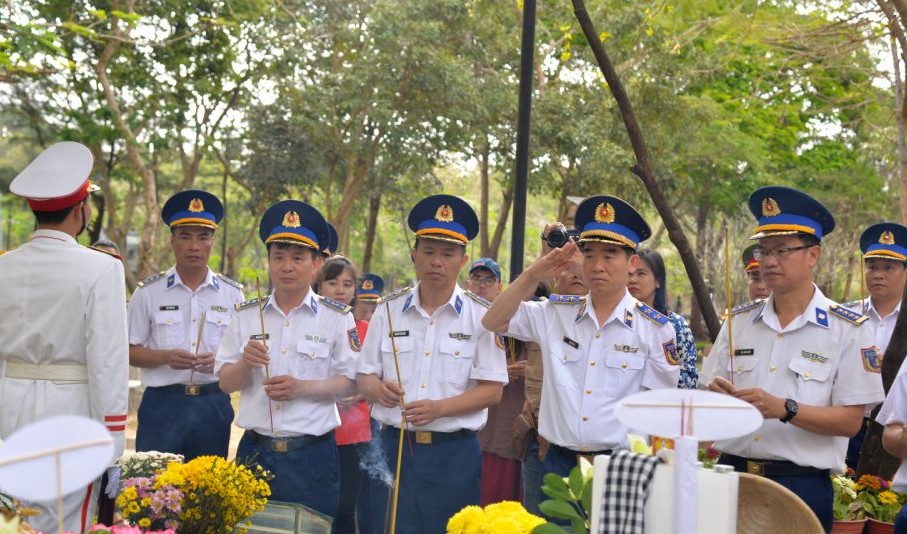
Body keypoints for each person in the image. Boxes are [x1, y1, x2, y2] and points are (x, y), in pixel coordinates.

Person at [702, 186, 885, 532]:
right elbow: (705, 399)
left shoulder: (848, 329)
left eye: (782, 251)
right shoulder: (738, 323)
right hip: (732, 475)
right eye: (764, 250)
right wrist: (719, 401)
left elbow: (850, 422)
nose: (769, 261)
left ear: (813, 255)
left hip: (799, 485)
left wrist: (786, 408)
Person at [483, 195, 680, 480]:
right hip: (555, 463)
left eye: (609, 255)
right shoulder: (555, 313)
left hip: (619, 468)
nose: (597, 265)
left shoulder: (654, 329)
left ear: (631, 261)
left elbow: (660, 410)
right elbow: (493, 320)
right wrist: (534, 273)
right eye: (589, 255)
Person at [357, 194, 507, 533]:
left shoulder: (482, 316)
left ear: (463, 260)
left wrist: (440, 408)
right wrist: (379, 390)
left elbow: (492, 391)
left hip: (452, 456)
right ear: (414, 255)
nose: (436, 261)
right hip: (392, 450)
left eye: (447, 253)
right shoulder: (388, 310)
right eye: (428, 251)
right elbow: (363, 376)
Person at [0, 141, 128, 533]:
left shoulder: (5, 267)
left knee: (9, 518)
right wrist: (113, 446)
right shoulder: (101, 269)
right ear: (81, 210)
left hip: (8, 407)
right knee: (63, 523)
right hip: (70, 414)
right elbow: (107, 362)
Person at [216, 200, 358, 518]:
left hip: (312, 455)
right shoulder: (246, 315)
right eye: (278, 257)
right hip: (255, 453)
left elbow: (349, 382)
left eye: (297, 258)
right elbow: (225, 383)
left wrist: (301, 388)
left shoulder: (336, 317)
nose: (287, 266)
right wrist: (244, 363)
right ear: (269, 261)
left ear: (315, 265)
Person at [127, 190, 244, 460]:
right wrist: (165, 357)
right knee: (154, 491)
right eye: (185, 237)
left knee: (206, 495)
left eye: (203, 237)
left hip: (212, 404)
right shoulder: (148, 293)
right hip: (162, 405)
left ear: (212, 242)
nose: (194, 246)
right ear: (172, 242)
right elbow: (129, 350)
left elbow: (242, 353)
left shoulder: (232, 295)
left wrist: (218, 361)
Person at [314, 256, 370, 534]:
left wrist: (364, 390)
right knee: (317, 507)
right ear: (319, 285)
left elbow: (380, 375)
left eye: (347, 284)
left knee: (346, 509)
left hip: (353, 433)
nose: (340, 290)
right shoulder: (307, 324)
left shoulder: (364, 330)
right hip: (316, 429)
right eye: (333, 282)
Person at [844, 222, 907, 469]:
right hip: (851, 426)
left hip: (896, 431)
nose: (878, 274)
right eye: (872, 266)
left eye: (888, 267)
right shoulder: (846, 317)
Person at [468, 257, 525, 506]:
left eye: (489, 280)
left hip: (507, 424)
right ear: (468, 282)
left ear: (500, 286)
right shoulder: (460, 317)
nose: (482, 285)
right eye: (477, 279)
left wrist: (522, 369)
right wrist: (500, 371)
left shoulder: (516, 318)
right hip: (470, 424)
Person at [351, 272, 389, 534]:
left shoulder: (387, 332)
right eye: (364, 303)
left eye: (374, 304)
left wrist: (368, 391)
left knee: (375, 492)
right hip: (343, 425)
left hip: (374, 423)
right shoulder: (343, 330)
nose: (369, 310)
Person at [628, 248, 698, 389]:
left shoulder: (676, 325)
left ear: (658, 281)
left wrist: (665, 370)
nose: (633, 280)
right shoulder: (618, 320)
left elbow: (690, 381)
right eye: (629, 274)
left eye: (641, 273)